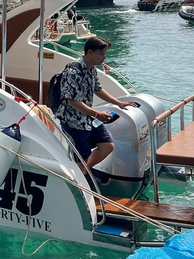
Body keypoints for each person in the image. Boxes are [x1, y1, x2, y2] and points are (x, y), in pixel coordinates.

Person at [55, 36, 137, 174]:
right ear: (90, 52)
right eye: (101, 54)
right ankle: (81, 177)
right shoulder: (73, 71)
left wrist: (119, 103)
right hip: (74, 122)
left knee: (107, 146)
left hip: (88, 118)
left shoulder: (92, 69)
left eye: (105, 54)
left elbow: (97, 89)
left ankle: (84, 171)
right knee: (82, 158)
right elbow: (72, 101)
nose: (104, 58)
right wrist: (97, 114)